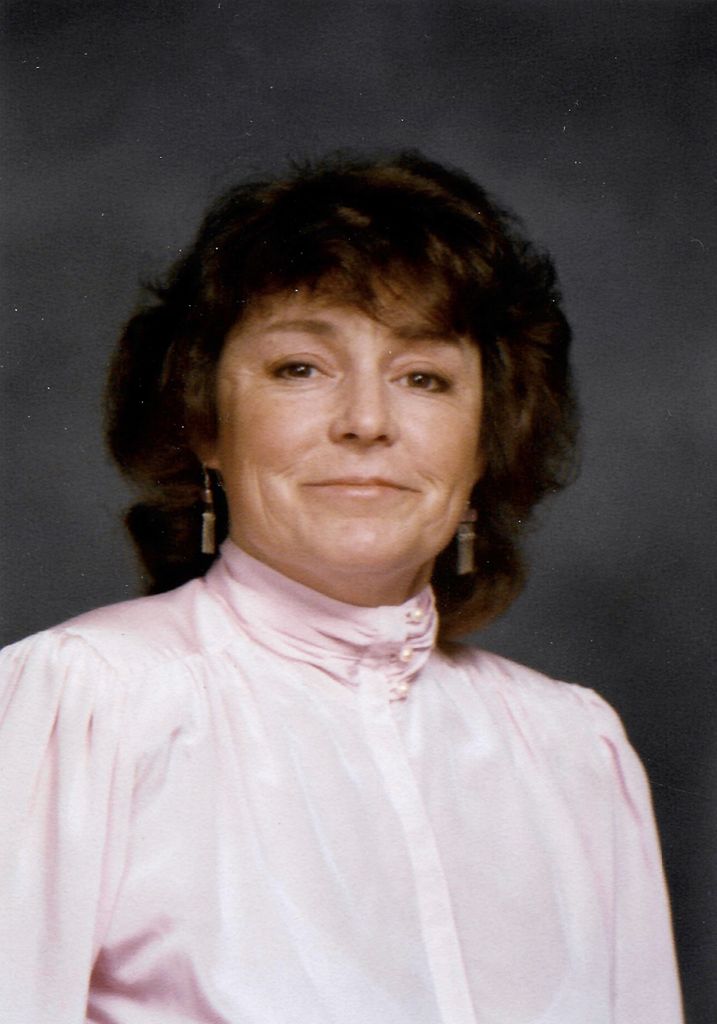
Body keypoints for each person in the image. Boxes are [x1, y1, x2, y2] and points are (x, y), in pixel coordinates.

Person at [0, 151, 682, 1023]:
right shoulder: (93, 701)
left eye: (423, 378)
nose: (366, 421)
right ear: (205, 423)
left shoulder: (572, 748)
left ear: (487, 441)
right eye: (300, 368)